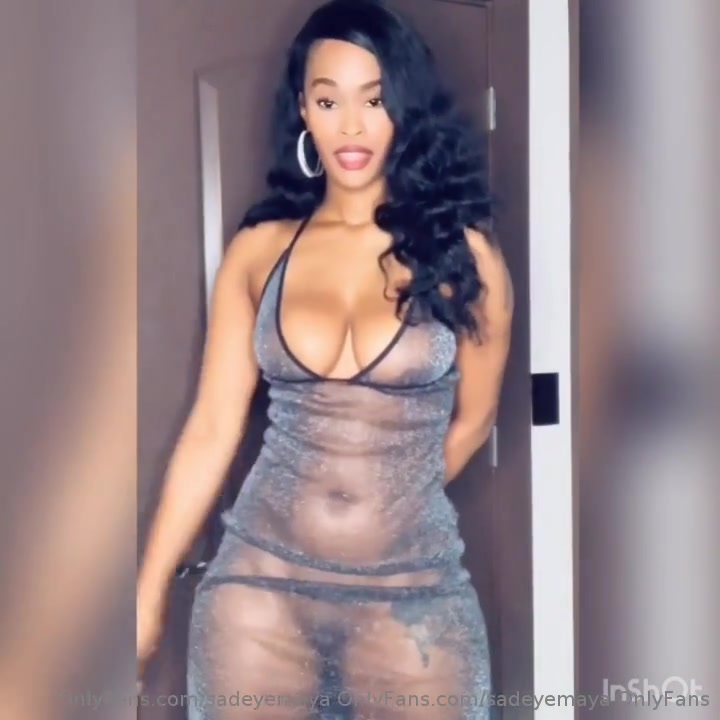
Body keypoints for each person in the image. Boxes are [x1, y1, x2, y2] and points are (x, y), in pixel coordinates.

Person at [137, 0, 513, 717]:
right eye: (329, 99)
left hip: (411, 597)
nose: (351, 126)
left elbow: (475, 420)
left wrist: (389, 500)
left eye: (374, 100)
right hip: (259, 593)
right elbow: (212, 429)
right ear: (304, 111)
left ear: (403, 108)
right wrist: (147, 592)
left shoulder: (467, 257)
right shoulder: (260, 251)